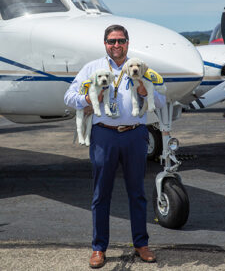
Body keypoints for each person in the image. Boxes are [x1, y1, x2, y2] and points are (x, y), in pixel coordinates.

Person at [64, 24, 166, 268]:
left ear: (128, 43)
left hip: (134, 135)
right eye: (112, 41)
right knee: (101, 194)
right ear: (105, 44)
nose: (116, 45)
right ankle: (99, 248)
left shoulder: (141, 67)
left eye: (121, 41)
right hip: (104, 135)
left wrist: (143, 91)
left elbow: (161, 99)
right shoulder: (93, 68)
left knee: (137, 193)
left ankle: (141, 243)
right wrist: (89, 98)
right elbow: (68, 97)